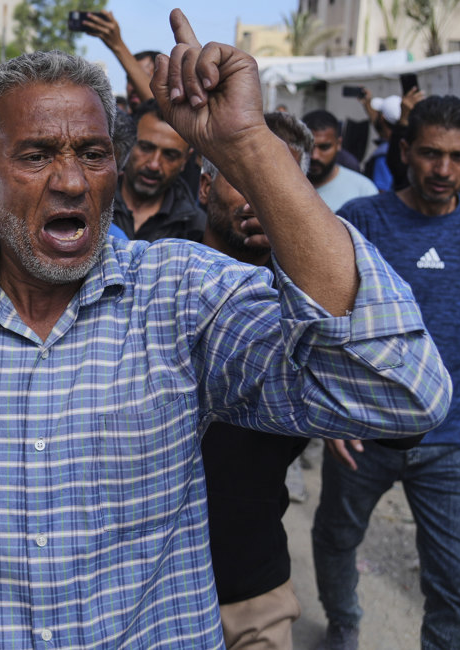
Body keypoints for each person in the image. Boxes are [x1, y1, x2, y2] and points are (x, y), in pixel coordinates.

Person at [0, 10, 452, 649]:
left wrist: (247, 147)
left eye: (94, 153)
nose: (72, 181)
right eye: (38, 155)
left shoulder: (180, 294)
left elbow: (397, 390)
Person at [312, 95, 460, 650]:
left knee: (456, 587)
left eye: (458, 156)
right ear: (404, 150)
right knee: (335, 539)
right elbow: (327, 316)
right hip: (365, 430)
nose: (443, 170)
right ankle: (343, 621)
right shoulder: (362, 220)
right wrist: (334, 411)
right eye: (430, 153)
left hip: (456, 440)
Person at [199, 111, 317, 650]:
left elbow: (403, 417)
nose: (257, 200)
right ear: (205, 185)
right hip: (138, 586)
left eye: (276, 185)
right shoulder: (144, 278)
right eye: (240, 180)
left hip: (248, 583)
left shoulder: (314, 302)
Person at [113, 99, 205, 241]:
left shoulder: (195, 229)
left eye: (170, 155)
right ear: (129, 143)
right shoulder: (94, 203)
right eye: (145, 148)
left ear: (185, 159)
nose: (154, 164)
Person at [80, 10, 156, 113]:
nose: (134, 87)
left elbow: (154, 105)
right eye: (130, 79)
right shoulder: (118, 123)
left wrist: (117, 45)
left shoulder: (174, 124)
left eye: (142, 76)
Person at [302, 110, 378, 211]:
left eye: (324, 147)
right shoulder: (283, 185)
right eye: (308, 146)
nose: (315, 156)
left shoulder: (364, 191)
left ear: (338, 144)